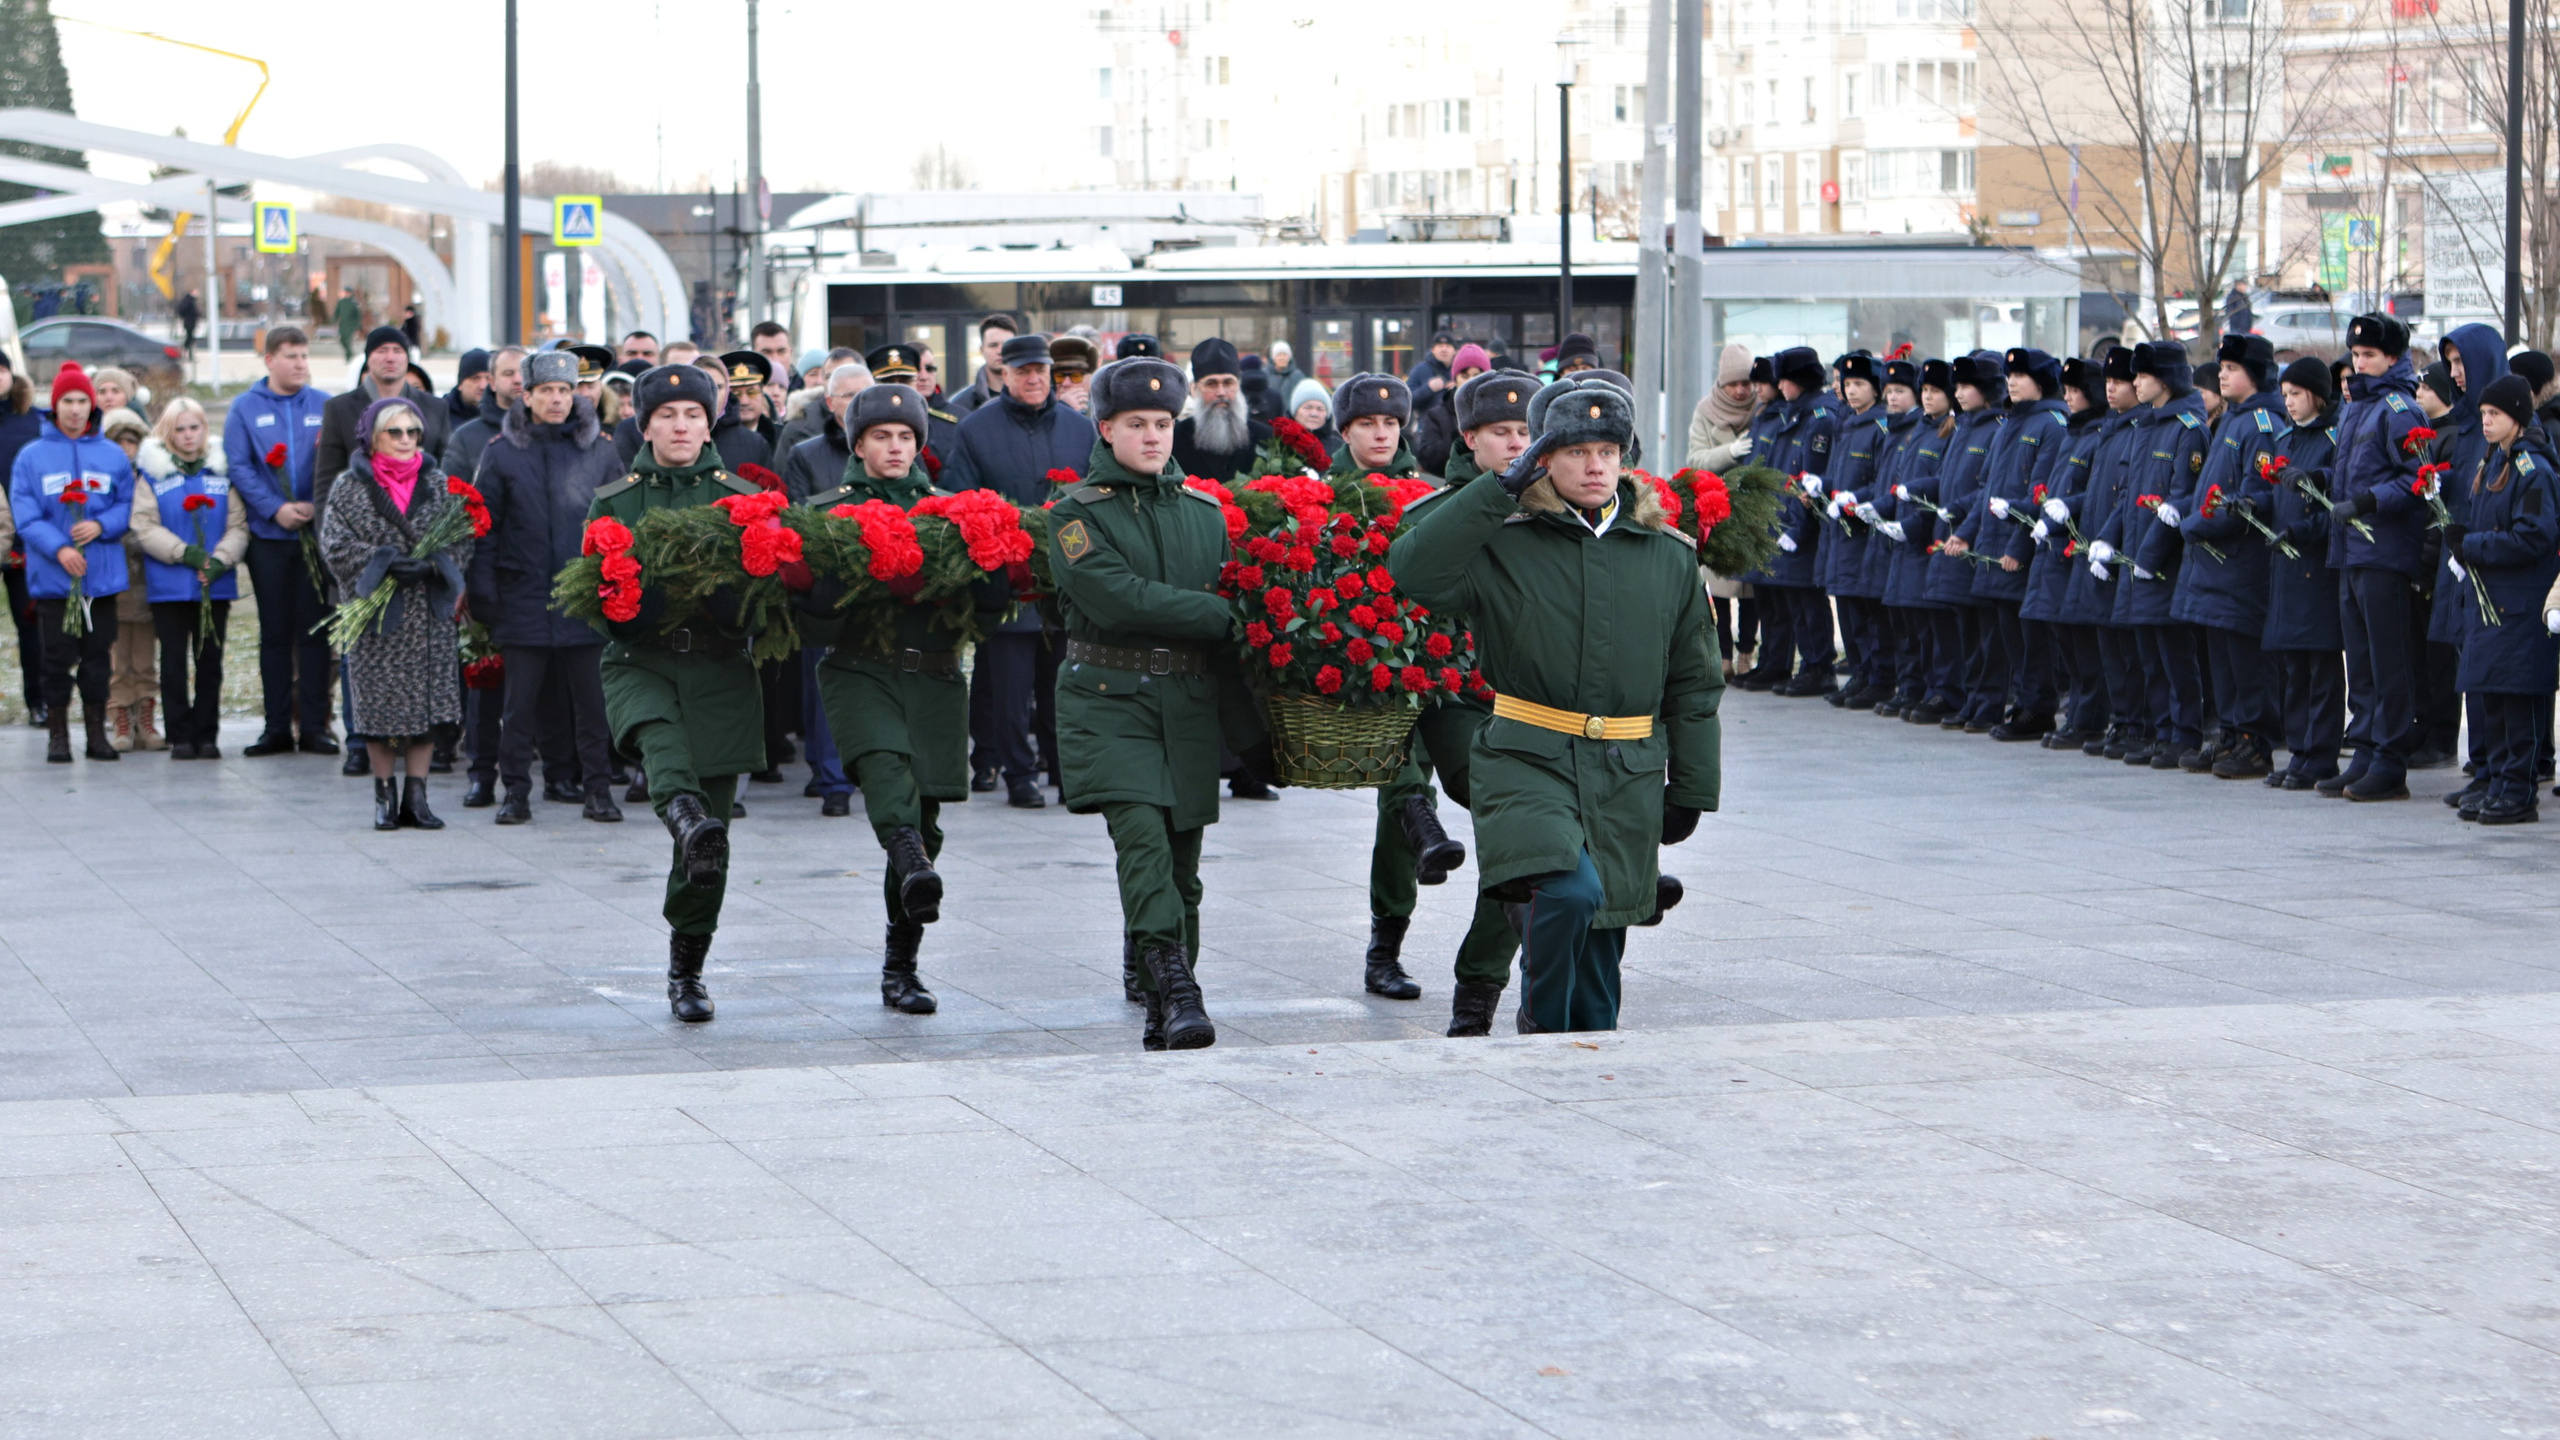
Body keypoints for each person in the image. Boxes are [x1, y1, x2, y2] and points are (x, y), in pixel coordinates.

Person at [1389, 373, 1719, 1034]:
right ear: (1545, 457)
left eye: (1606, 450)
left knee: (1604, 948)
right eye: (1574, 451)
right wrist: (1496, 489)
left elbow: (1694, 681)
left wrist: (1692, 786)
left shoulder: (1667, 556)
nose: (1593, 465)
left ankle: (1587, 1068)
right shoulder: (1502, 538)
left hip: (1626, 768)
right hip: (1526, 756)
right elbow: (1414, 570)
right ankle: (1541, 1030)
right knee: (1571, 892)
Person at [1047, 356, 1249, 1050]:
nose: (1154, 436)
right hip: (1108, 701)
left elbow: (1234, 607)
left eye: (1164, 423)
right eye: (1137, 424)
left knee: (1182, 862)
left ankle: (1160, 977)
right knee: (1142, 846)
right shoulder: (1075, 515)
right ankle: (1179, 987)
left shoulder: (1204, 511)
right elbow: (1116, 598)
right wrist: (1219, 616)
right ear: (1105, 428)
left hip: (1185, 703)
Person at [799, 383, 1005, 1013]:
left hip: (936, 676)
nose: (895, 447)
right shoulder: (827, 512)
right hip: (862, 670)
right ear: (857, 444)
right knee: (888, 779)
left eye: (906, 437)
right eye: (881, 436)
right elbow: (813, 620)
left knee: (927, 824)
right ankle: (910, 859)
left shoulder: (950, 512)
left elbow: (988, 610)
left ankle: (901, 966)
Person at [585, 364, 772, 1022]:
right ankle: (683, 812)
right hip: (642, 661)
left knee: (706, 851)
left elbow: (764, 605)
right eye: (666, 415)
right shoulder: (616, 501)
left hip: (720, 671)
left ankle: (687, 969)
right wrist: (630, 602)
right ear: (645, 423)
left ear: (710, 419)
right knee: (662, 747)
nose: (680, 426)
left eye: (692, 414)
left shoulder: (741, 498)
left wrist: (735, 600)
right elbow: (593, 599)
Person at [1373, 371, 1533, 1035]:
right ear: (1470, 437)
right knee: (1406, 802)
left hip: (1521, 701)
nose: (1518, 443)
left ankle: (1486, 984)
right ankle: (1389, 945)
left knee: (1521, 844)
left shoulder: (1552, 512)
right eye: (1503, 432)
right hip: (1441, 693)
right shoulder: (1434, 512)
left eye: (1528, 432)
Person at [466, 350, 623, 825]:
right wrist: (484, 594)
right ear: (526, 395)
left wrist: (613, 587)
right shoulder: (502, 452)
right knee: (519, 707)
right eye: (546, 391)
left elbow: (618, 527)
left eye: (564, 390)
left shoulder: (601, 450)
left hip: (583, 598)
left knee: (592, 706)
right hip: (523, 596)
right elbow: (484, 528)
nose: (556, 400)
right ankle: (515, 793)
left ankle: (597, 790)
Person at [947, 332, 1096, 806]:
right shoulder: (976, 429)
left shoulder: (1079, 427)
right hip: (1006, 580)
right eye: (1023, 371)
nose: (1034, 379)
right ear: (1004, 374)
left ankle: (1064, 769)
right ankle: (1019, 774)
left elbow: (1095, 496)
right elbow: (960, 497)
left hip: (1065, 579)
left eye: (1040, 370)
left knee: (1064, 684)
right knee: (1010, 690)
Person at [318, 396, 472, 830]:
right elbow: (335, 546)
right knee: (379, 710)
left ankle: (417, 797)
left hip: (426, 613)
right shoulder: (351, 487)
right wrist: (383, 562)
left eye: (413, 432)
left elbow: (462, 538)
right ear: (373, 438)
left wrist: (435, 563)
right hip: (377, 614)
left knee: (424, 710)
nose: (406, 441)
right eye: (395, 432)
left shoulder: (438, 483)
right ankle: (384, 795)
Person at [2159, 333, 2286, 777]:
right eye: (2223, 368)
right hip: (2213, 563)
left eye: (2231, 369)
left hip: (2240, 563)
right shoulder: (2233, 419)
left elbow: (2255, 498)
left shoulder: (2263, 423)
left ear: (2253, 373)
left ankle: (2254, 740)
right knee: (2222, 657)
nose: (2223, 376)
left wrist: (2196, 523)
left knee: (2245, 658)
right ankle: (2230, 733)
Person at [2319, 315, 2428, 802]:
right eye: (2356, 355)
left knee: (2388, 661)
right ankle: (2364, 748)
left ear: (2391, 358)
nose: (2360, 363)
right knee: (2359, 661)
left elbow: (2420, 478)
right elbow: (2349, 470)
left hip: (2383, 550)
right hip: (2351, 550)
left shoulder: (2398, 408)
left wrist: (2367, 503)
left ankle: (2390, 758)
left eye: (2369, 356)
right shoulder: (2357, 407)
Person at [9, 364, 134, 762]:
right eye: (68, 401)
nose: (76, 410)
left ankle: (97, 734)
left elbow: (127, 504)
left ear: (92, 405)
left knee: (98, 658)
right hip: (54, 578)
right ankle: (58, 735)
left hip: (101, 578)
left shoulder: (111, 455)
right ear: (55, 405)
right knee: (57, 659)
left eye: (83, 401)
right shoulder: (32, 456)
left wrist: (102, 525)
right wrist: (60, 549)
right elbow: (25, 513)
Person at [226, 327, 338, 757]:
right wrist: (275, 508)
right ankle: (275, 728)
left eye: (305, 356)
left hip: (314, 534)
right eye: (291, 356)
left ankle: (314, 726)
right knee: (275, 634)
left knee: (315, 633)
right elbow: (240, 466)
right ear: (269, 360)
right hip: (269, 538)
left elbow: (335, 461)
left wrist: (313, 505)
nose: (300, 364)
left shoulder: (325, 405)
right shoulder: (245, 408)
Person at [2453, 376, 2560, 823]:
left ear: (2517, 417)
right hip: (2491, 602)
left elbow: (2533, 536)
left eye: (2494, 414)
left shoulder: (2531, 468)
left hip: (2519, 604)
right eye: (2482, 415)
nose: (2487, 422)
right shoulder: (2495, 461)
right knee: (2492, 696)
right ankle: (2497, 780)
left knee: (2518, 700)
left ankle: (2519, 790)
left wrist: (2471, 546)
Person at [129, 398, 244, 759]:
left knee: (210, 660)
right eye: (180, 429)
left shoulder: (221, 473)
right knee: (174, 662)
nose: (188, 435)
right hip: (171, 584)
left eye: (194, 427)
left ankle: (207, 733)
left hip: (215, 583)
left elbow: (238, 525)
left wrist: (220, 559)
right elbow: (143, 525)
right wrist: (182, 552)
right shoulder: (153, 474)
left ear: (204, 430)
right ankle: (180, 734)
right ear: (168, 432)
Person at [2254, 356, 2344, 791]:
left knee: (2320, 666)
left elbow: (2334, 509)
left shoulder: (2332, 439)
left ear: (2317, 395)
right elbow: (2277, 495)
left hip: (2315, 568)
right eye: (2285, 394)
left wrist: (2301, 531)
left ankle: (2321, 754)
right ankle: (2299, 752)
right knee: (2293, 666)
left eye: (2296, 394)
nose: (2288, 403)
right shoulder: (2285, 438)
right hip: (2286, 567)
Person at [92, 406, 161, 752]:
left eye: (131, 442)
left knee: (145, 657)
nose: (125, 449)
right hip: (112, 581)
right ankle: (120, 718)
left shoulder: (151, 481)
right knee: (117, 659)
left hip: (148, 581)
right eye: (118, 442)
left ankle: (146, 718)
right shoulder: (102, 483)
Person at [0, 350, 45, 724]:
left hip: (23, 541)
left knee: (31, 625)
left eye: (0, 370)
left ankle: (39, 700)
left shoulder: (32, 421)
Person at [1170, 337, 1271, 484]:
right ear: (1195, 389)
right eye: (1211, 384)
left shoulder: (1266, 439)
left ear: (1238, 386)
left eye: (1228, 383)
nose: (1221, 392)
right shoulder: (1174, 440)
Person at [440, 345, 526, 482]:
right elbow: (451, 498)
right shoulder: (465, 437)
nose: (518, 380)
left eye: (523, 373)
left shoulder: (549, 429)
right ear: (492, 383)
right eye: (508, 373)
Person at [1411, 343, 1492, 476]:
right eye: (1465, 376)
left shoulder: (1499, 412)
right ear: (1455, 380)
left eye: (1477, 376)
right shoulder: (1437, 415)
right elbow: (1428, 460)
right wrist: (1457, 440)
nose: (1471, 381)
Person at [1687, 342, 1759, 468]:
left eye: (1746, 383)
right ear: (1722, 384)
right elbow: (1695, 460)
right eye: (1732, 384)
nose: (1740, 390)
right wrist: (1729, 452)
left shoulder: (1763, 407)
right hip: (1717, 486)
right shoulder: (1706, 411)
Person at [947, 314, 1017, 417]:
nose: (1000, 351)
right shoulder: (959, 404)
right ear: (982, 350)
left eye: (1006, 345)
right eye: (993, 345)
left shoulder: (1033, 398)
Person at [1050, 335, 1098, 415]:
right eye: (1059, 377)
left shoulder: (1104, 407)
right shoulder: (1041, 407)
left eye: (1076, 377)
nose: (1065, 383)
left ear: (1090, 379)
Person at [1289, 378, 1338, 454]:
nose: (1314, 414)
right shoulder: (1279, 446)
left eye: (1320, 409)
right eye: (1308, 408)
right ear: (1295, 413)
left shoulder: (1340, 449)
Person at [749, 320, 796, 394]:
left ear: (790, 353)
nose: (775, 360)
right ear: (753, 355)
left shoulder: (807, 392)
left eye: (781, 351)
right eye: (766, 352)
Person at [1407, 330, 1458, 397]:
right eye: (1440, 346)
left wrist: (1458, 389)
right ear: (1433, 350)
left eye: (1448, 346)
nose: (1444, 350)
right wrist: (1428, 388)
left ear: (1455, 351)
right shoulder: (1419, 370)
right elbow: (1408, 399)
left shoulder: (1462, 370)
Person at [1266, 340, 1310, 408]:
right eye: (1279, 355)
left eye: (1284, 355)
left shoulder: (1297, 376)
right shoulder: (1265, 374)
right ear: (1273, 358)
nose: (1282, 358)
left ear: (1289, 357)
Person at [333, 286, 363, 363]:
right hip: (343, 324)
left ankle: (348, 356)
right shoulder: (341, 302)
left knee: (348, 340)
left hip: (351, 324)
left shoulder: (354, 302)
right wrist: (335, 321)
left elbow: (358, 315)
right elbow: (337, 312)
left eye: (348, 292)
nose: (347, 294)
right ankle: (350, 353)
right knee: (342, 340)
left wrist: (358, 326)